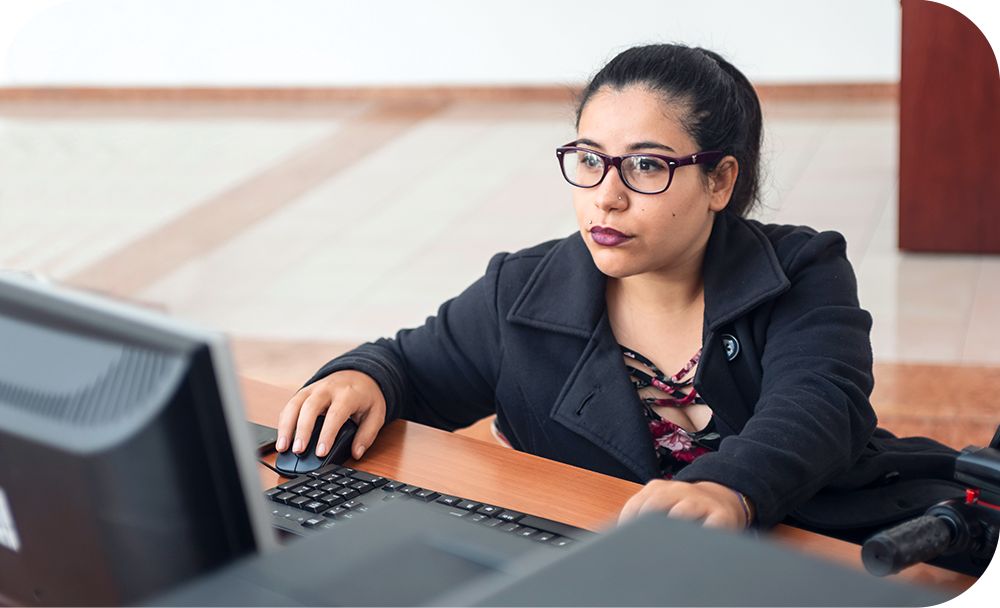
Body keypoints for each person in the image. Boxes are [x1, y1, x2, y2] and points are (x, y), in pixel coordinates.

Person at [275, 44, 960, 533]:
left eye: (646, 166)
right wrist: (364, 377)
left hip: (817, 539)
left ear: (720, 180)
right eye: (589, 160)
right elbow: (409, 369)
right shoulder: (524, 288)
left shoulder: (802, 270)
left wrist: (730, 488)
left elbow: (819, 407)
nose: (606, 197)